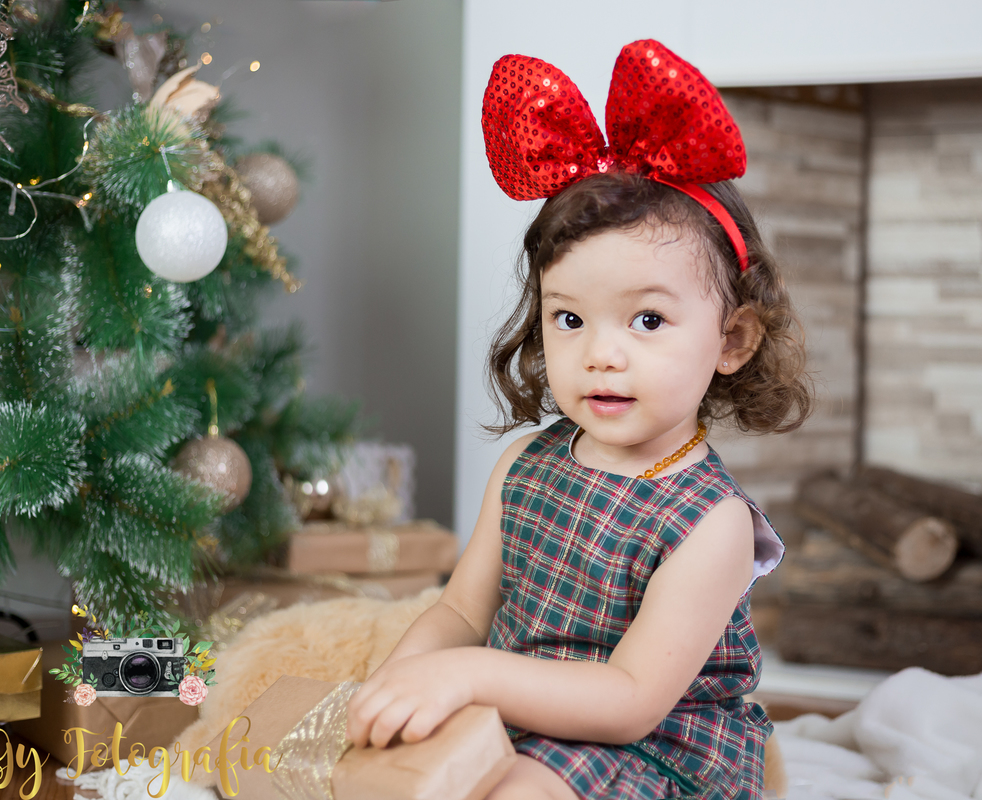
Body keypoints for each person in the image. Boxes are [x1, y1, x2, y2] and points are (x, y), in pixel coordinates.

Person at [345, 39, 811, 799]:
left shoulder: (712, 524)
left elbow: (629, 700)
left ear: (731, 340)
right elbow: (464, 609)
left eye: (648, 322)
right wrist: (409, 676)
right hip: (521, 714)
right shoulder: (529, 466)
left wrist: (466, 675)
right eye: (568, 319)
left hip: (655, 747)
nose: (601, 355)